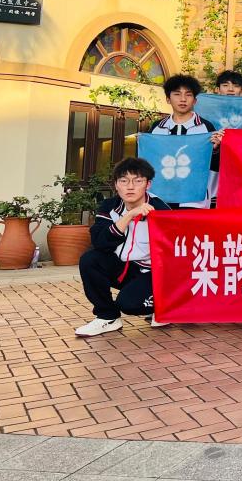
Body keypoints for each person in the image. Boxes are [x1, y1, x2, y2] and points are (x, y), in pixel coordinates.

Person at [75, 157, 171, 337]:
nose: (130, 187)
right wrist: (129, 216)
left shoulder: (160, 210)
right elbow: (99, 242)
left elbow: (174, 250)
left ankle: (165, 304)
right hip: (125, 268)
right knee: (90, 260)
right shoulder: (109, 206)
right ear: (116, 185)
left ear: (148, 184)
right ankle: (108, 317)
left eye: (138, 181)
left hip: (152, 273)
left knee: (129, 304)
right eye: (124, 181)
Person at [151, 75, 217, 209]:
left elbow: (215, 166)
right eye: (177, 94)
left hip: (194, 199)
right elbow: (149, 161)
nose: (183, 99)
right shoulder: (157, 128)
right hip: (162, 195)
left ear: (195, 101)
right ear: (168, 99)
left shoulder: (206, 128)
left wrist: (216, 149)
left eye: (188, 95)